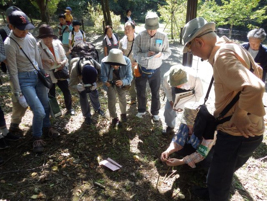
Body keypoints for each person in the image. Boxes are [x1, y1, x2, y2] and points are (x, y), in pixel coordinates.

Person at [182, 17, 265, 201]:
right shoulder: (231, 46)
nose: (192, 53)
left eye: (190, 48)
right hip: (240, 131)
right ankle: (209, 193)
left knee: (219, 180)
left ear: (199, 42)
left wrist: (241, 113)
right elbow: (257, 69)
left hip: (238, 135)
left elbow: (256, 86)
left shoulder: (222, 57)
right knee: (219, 172)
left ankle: (214, 195)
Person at [4, 10, 59, 153]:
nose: (25, 32)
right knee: (39, 111)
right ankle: (36, 137)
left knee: (46, 105)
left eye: (27, 28)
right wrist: (18, 93)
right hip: (24, 79)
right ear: (11, 27)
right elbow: (13, 71)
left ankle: (47, 127)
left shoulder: (30, 38)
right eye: (21, 29)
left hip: (37, 75)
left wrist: (43, 75)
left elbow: (37, 60)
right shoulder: (9, 44)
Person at [133, 11, 171, 122]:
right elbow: (135, 53)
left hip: (156, 69)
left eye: (153, 29)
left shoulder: (163, 36)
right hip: (142, 68)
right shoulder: (140, 36)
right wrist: (145, 55)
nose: (151, 32)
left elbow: (168, 53)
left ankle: (155, 112)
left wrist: (161, 55)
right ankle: (141, 110)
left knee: (155, 92)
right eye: (149, 29)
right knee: (141, 91)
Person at [161, 102, 215, 168]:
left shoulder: (209, 130)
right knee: (179, 150)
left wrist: (181, 161)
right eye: (187, 124)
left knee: (209, 160)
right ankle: (191, 159)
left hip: (208, 149)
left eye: (192, 126)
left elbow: (202, 153)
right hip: (194, 145)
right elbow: (178, 139)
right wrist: (168, 151)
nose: (189, 128)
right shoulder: (185, 123)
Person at [37, 24, 75, 116]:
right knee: (51, 93)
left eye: (49, 37)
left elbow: (64, 58)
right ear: (42, 38)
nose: (48, 40)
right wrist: (45, 60)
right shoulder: (37, 47)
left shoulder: (57, 43)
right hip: (48, 74)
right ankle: (54, 111)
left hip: (60, 72)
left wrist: (62, 64)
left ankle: (69, 108)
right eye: (45, 38)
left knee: (66, 90)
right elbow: (35, 62)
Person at [0, 6, 26, 134]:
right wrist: (8, 60)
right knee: (17, 98)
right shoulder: (3, 33)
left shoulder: (26, 30)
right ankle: (14, 124)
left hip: (29, 69)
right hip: (14, 71)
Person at [162, 65, 203, 134]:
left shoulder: (195, 78)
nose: (177, 86)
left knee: (189, 115)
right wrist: (171, 101)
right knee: (168, 109)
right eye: (174, 83)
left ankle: (187, 131)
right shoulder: (166, 77)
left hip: (190, 95)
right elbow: (168, 91)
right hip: (174, 92)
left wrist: (189, 106)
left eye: (179, 84)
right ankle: (170, 126)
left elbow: (199, 94)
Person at [100, 49, 133, 127]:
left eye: (117, 65)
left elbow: (130, 77)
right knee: (112, 99)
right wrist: (106, 82)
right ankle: (114, 117)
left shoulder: (127, 61)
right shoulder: (104, 62)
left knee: (122, 97)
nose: (115, 67)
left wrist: (123, 82)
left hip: (121, 80)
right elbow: (103, 76)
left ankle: (123, 113)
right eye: (113, 65)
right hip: (110, 81)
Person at [69, 57, 104, 125]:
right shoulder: (75, 69)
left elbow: (103, 80)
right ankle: (87, 115)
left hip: (92, 81)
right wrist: (77, 87)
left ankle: (97, 108)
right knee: (83, 97)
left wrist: (96, 84)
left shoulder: (98, 67)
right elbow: (70, 86)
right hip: (80, 82)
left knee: (94, 93)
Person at [119, 21, 137, 105]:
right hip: (128, 68)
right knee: (131, 84)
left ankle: (141, 100)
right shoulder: (122, 42)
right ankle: (133, 98)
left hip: (138, 67)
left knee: (140, 85)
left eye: (128, 28)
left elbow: (144, 53)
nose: (126, 30)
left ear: (133, 29)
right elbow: (119, 54)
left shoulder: (139, 41)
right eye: (125, 29)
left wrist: (138, 62)